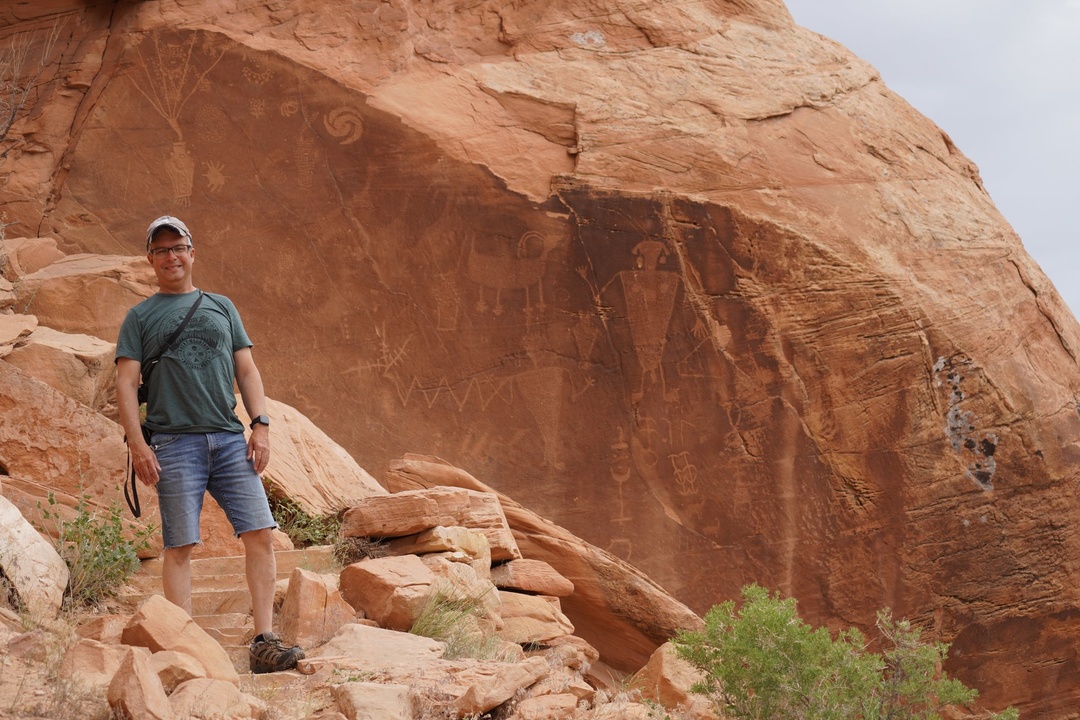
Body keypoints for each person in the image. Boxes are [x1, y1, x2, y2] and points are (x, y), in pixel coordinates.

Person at [115, 215, 304, 674]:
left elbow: (248, 371)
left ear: (192, 253)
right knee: (180, 545)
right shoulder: (140, 317)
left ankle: (264, 641)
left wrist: (260, 425)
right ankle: (183, 650)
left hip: (227, 438)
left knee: (260, 533)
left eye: (177, 247)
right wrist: (139, 445)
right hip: (174, 443)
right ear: (150, 260)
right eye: (160, 250)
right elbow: (124, 383)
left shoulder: (221, 306)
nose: (170, 257)